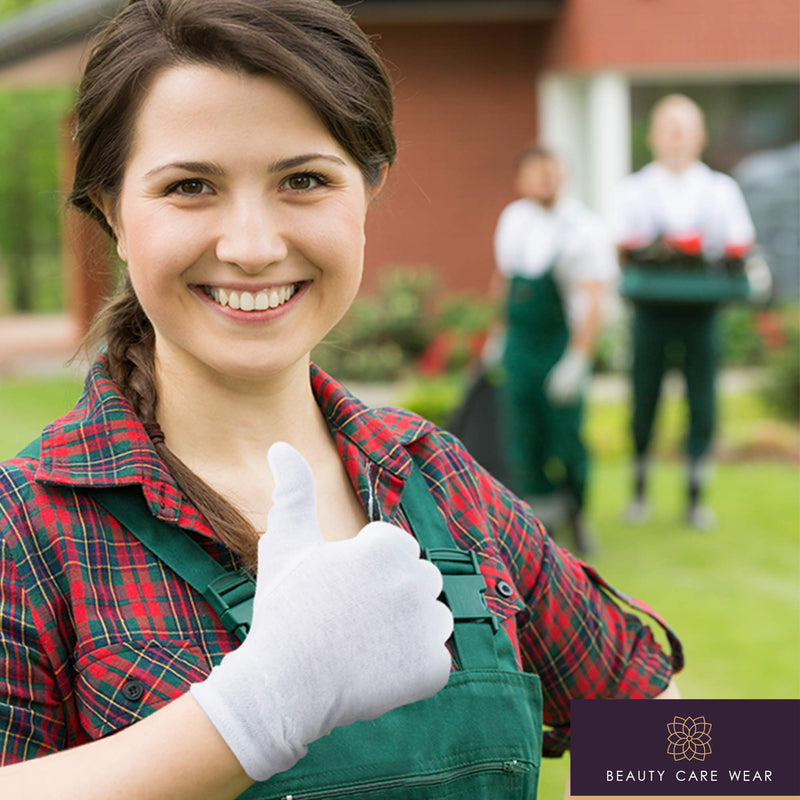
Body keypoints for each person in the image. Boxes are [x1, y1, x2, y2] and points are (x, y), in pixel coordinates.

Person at [0, 2, 681, 797]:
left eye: (304, 180)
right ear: (114, 211)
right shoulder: (29, 533)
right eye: (190, 186)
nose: (252, 247)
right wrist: (254, 713)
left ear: (367, 192)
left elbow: (665, 746)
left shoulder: (443, 486)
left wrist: (759, 759)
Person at [611, 94, 758, 530]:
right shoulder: (634, 189)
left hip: (700, 310)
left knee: (702, 401)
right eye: (668, 127)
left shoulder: (720, 189)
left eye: (685, 128)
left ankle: (696, 495)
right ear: (654, 135)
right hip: (651, 310)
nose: (676, 137)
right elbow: (622, 244)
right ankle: (639, 490)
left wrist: (700, 251)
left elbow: (739, 243)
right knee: (644, 397)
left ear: (700, 136)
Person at [493, 145, 618, 555]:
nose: (545, 181)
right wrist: (497, 336)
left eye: (552, 173)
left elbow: (592, 297)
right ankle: (539, 523)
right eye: (536, 173)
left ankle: (578, 515)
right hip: (520, 346)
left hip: (559, 345)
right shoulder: (514, 220)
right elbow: (504, 281)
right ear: (521, 179)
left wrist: (578, 359)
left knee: (566, 437)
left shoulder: (583, 228)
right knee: (523, 435)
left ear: (563, 177)